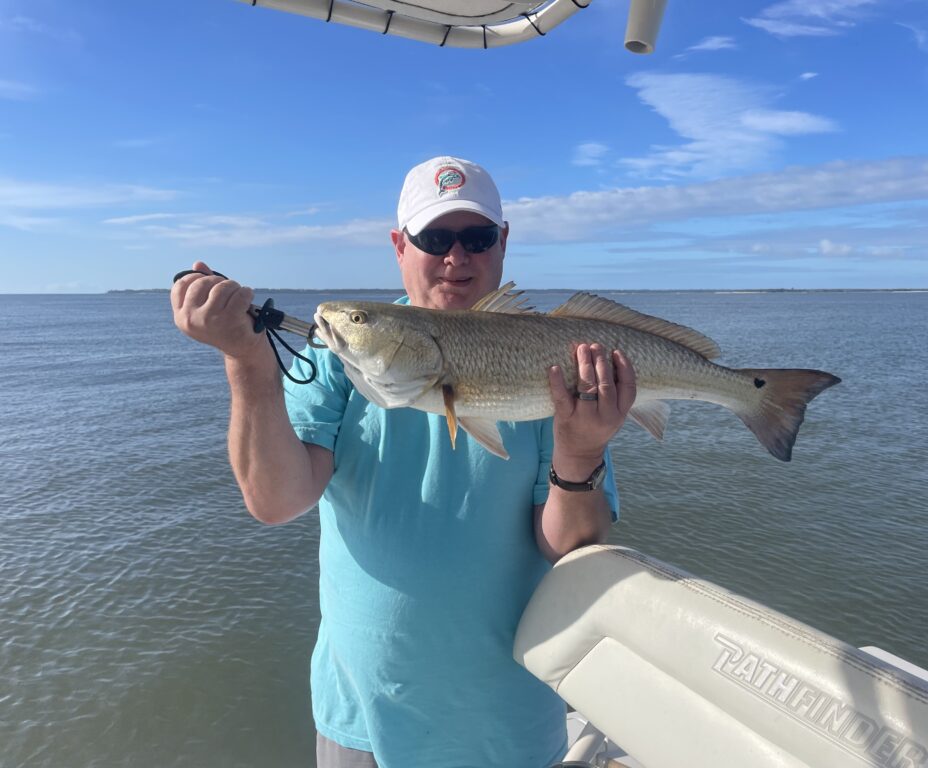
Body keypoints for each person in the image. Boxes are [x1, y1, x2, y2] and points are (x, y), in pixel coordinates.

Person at [171, 156, 636, 768]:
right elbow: (276, 500)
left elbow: (568, 547)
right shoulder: (335, 359)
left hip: (510, 723)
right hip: (361, 718)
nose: (456, 256)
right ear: (399, 245)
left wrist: (582, 451)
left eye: (476, 238)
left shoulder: (554, 359)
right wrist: (245, 360)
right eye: (434, 238)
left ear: (503, 242)